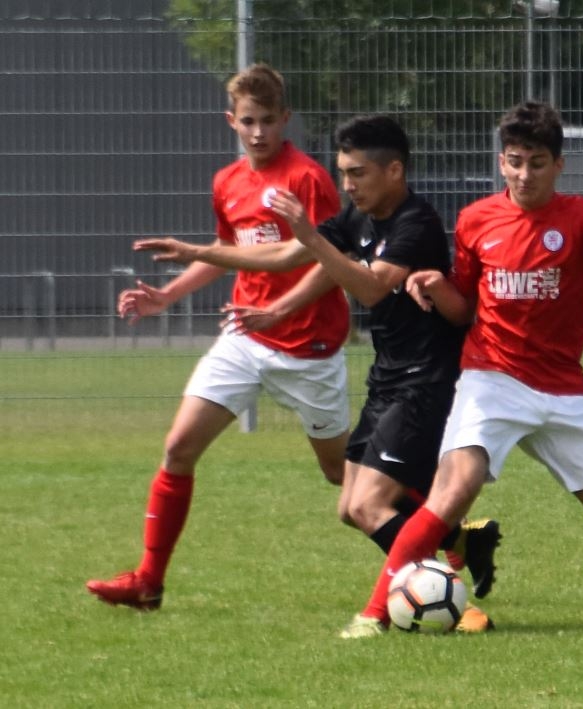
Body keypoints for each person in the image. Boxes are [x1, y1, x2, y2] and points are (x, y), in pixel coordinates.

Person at [133, 115, 502, 635]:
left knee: (370, 505)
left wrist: (310, 236)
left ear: (394, 171)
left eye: (358, 173)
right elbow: (286, 254)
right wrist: (200, 253)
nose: (348, 184)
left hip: (427, 380)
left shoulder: (414, 223)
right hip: (389, 376)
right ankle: (459, 545)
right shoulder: (358, 218)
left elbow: (370, 287)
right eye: (343, 172)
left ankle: (439, 605)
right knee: (349, 506)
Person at [342, 100, 583, 636]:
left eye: (537, 163)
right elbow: (465, 310)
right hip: (490, 378)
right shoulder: (475, 220)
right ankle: (375, 613)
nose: (525, 174)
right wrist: (437, 286)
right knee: (454, 492)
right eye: (515, 162)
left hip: (562, 391)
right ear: (502, 161)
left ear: (558, 165)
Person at [86, 63, 352, 610]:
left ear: (286, 119)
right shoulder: (227, 182)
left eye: (268, 121)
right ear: (232, 121)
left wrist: (279, 309)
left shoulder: (306, 179)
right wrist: (168, 295)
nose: (259, 132)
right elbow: (226, 251)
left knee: (340, 475)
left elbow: (329, 261)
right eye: (248, 122)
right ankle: (148, 582)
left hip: (308, 346)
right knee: (179, 447)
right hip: (245, 337)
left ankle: (449, 531)